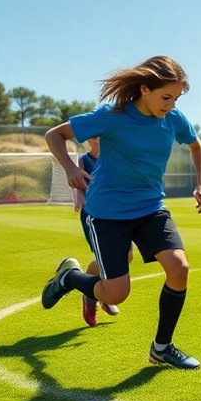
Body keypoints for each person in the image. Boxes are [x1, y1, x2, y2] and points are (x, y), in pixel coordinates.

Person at [40, 55, 201, 370]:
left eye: (176, 98)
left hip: (150, 207)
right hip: (107, 213)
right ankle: (69, 278)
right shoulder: (112, 116)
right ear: (144, 89)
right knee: (116, 294)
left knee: (179, 267)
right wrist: (68, 169)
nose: (171, 105)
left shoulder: (173, 119)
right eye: (166, 97)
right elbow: (55, 135)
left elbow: (197, 146)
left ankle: (162, 347)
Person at [73, 137, 124, 327]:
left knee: (126, 256)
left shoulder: (111, 159)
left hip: (115, 213)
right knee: (106, 258)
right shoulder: (84, 160)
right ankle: (99, 296)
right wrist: (79, 197)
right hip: (93, 213)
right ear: (92, 140)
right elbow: (78, 181)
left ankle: (92, 290)